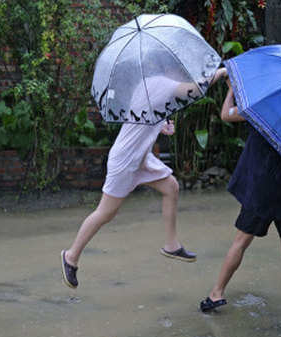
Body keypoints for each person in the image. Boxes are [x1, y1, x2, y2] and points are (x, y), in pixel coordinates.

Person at [60, 68, 229, 289]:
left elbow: (143, 117)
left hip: (139, 158)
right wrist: (222, 72)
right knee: (105, 213)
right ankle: (70, 257)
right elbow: (195, 90)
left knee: (171, 187)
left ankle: (171, 245)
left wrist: (161, 126)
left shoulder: (148, 83)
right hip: (126, 160)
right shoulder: (165, 84)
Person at [199, 76, 281, 324]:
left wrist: (231, 90)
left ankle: (216, 292)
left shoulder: (260, 109)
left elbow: (225, 114)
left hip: (263, 188)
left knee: (241, 241)